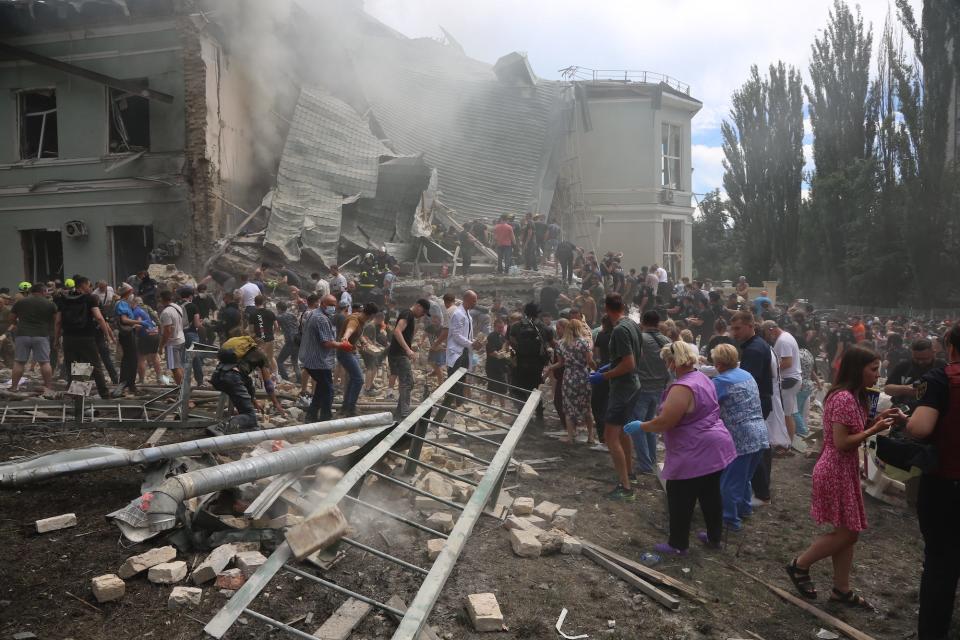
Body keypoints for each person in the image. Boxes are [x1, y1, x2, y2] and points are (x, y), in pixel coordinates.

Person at [786, 346, 901, 606]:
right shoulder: (844, 398)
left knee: (846, 532)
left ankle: (841, 589)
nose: (877, 375)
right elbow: (841, 442)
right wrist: (875, 430)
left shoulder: (854, 396)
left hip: (844, 469)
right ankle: (800, 565)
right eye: (873, 370)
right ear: (856, 369)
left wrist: (878, 420)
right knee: (849, 534)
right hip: (834, 469)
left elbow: (852, 433)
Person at [624, 341, 736, 554]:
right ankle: (714, 538)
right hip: (715, 444)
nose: (667, 366)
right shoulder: (702, 377)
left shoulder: (682, 387)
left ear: (674, 362)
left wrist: (642, 426)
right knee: (710, 494)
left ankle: (677, 544)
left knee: (679, 496)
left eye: (668, 361)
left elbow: (666, 422)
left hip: (695, 448)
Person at [906, 322, 960, 640]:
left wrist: (910, 421)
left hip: (946, 484)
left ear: (950, 348)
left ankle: (932, 632)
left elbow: (921, 429)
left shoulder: (942, 379)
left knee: (941, 561)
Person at [710, 343, 770, 531]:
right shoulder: (747, 375)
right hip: (760, 432)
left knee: (728, 483)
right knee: (745, 478)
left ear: (719, 364)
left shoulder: (721, 382)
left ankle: (730, 520)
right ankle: (744, 509)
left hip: (740, 436)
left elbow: (707, 404)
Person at [590, 293, 643, 501]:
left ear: (606, 309)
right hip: (633, 385)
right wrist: (610, 366)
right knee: (624, 432)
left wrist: (603, 376)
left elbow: (629, 363)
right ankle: (630, 474)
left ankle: (625, 487)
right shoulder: (632, 324)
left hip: (622, 388)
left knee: (611, 436)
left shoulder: (620, 330)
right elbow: (635, 358)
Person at [729, 311, 774, 506]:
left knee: (753, 447)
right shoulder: (756, 345)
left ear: (750, 326)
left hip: (757, 402)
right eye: (732, 328)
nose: (734, 333)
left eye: (737, 328)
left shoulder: (754, 350)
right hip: (761, 401)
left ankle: (762, 493)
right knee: (757, 446)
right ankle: (760, 491)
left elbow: (747, 382)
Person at [54, 277, 115, 400]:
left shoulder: (63, 299)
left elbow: (58, 321)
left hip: (69, 338)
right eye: (89, 285)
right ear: (83, 285)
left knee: (77, 365)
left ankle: (79, 395)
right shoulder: (89, 298)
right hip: (86, 337)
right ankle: (104, 394)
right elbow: (99, 317)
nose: (91, 287)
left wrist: (56, 339)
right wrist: (107, 335)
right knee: (95, 365)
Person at [211, 334, 284, 431]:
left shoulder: (240, 353)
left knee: (245, 412)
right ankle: (225, 425)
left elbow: (247, 382)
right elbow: (268, 384)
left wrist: (253, 401)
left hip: (217, 377)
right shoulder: (261, 355)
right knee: (250, 417)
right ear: (262, 345)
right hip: (232, 378)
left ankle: (239, 429)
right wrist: (276, 403)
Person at [630, 310, 672, 475]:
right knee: (651, 424)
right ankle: (651, 460)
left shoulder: (640, 339)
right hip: (659, 387)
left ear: (642, 321)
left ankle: (645, 463)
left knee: (638, 425)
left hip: (642, 387)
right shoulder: (667, 340)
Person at [300, 294, 353, 421]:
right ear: (322, 304)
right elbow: (326, 342)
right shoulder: (321, 319)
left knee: (321, 387)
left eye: (334, 305)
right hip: (318, 361)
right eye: (330, 305)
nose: (333, 308)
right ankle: (326, 416)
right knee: (328, 389)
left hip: (311, 358)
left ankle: (311, 415)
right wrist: (342, 345)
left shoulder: (314, 314)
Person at [8, 283, 57, 394]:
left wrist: (17, 325)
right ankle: (48, 387)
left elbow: (11, 318)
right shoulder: (50, 304)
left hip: (22, 335)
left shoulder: (20, 302)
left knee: (19, 362)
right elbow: (56, 320)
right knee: (44, 362)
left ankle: (14, 387)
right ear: (43, 291)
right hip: (41, 335)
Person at [508, 302, 552, 423]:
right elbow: (550, 345)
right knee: (535, 391)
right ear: (538, 313)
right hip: (537, 365)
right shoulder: (544, 327)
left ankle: (523, 420)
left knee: (519, 390)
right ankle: (539, 418)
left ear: (525, 312)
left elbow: (512, 342)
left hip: (521, 364)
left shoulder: (516, 326)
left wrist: (520, 350)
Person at [388, 299, 430, 418]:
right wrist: (407, 349)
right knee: (406, 383)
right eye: (424, 311)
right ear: (418, 306)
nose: (423, 314)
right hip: (399, 354)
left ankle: (399, 413)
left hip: (399, 353)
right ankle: (404, 415)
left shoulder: (409, 316)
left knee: (409, 383)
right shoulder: (408, 314)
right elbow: (397, 331)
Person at [762, 321, 802, 445]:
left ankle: (786, 444)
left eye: (766, 334)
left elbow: (787, 362)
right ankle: (787, 442)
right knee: (788, 413)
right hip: (792, 379)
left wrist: (771, 369)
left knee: (785, 414)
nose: (767, 337)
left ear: (771, 329)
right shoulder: (785, 337)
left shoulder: (783, 340)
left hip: (789, 380)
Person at [337, 302, 378, 417]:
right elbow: (350, 329)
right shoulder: (354, 321)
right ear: (371, 316)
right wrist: (345, 337)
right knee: (359, 379)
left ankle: (346, 406)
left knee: (352, 379)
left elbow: (357, 332)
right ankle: (350, 408)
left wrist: (363, 341)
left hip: (351, 352)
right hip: (345, 353)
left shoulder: (359, 317)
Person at [885, 338, 946, 412]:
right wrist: (907, 389)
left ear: (933, 353)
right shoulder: (904, 365)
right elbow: (887, 389)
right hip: (901, 409)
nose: (920, 362)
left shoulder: (942, 366)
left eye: (924, 359)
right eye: (916, 358)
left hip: (930, 412)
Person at [446, 290, 480, 395]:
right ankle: (450, 405)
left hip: (464, 351)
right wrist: (470, 343)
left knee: (461, 380)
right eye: (473, 301)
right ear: (467, 300)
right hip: (457, 353)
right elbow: (456, 335)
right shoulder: (458, 314)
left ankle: (458, 405)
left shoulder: (467, 314)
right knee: (454, 381)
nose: (475, 303)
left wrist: (474, 342)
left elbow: (466, 335)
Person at [112, 284, 143, 396]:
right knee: (132, 359)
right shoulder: (122, 304)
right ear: (129, 292)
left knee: (128, 359)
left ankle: (127, 384)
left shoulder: (124, 304)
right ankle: (128, 385)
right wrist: (138, 322)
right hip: (127, 334)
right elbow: (124, 320)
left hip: (127, 334)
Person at [132, 297, 165, 385]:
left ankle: (141, 380)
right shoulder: (146, 308)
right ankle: (159, 378)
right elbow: (156, 319)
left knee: (141, 358)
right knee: (154, 357)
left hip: (144, 336)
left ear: (134, 303)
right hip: (154, 334)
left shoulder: (136, 311)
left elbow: (138, 325)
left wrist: (133, 332)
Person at [158, 290, 186, 385]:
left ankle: (181, 391)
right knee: (179, 366)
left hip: (172, 343)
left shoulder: (166, 312)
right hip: (181, 339)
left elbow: (167, 331)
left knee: (174, 368)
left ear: (162, 299)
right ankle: (184, 388)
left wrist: (161, 346)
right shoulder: (178, 307)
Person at [180, 288, 205, 387]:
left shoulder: (177, 306)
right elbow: (196, 324)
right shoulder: (193, 306)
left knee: (182, 359)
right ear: (190, 296)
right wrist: (201, 323)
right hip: (191, 334)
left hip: (180, 335)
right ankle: (200, 381)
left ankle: (183, 381)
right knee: (195, 358)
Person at [485, 316, 510, 408]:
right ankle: (502, 408)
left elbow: (506, 349)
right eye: (499, 327)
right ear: (494, 327)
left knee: (493, 386)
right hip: (493, 366)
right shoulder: (491, 337)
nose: (501, 329)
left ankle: (489, 406)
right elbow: (493, 353)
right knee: (501, 387)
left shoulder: (502, 337)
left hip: (501, 366)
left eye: (502, 327)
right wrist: (503, 354)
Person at [249, 295, 279, 375]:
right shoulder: (270, 312)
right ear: (264, 302)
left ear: (254, 302)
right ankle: (276, 375)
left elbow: (251, 330)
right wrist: (272, 334)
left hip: (260, 340)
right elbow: (276, 326)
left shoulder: (253, 314)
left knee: (259, 359)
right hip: (270, 339)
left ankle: (262, 377)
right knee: (271, 357)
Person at [275, 300, 299, 382]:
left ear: (279, 309)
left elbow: (275, 324)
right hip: (298, 340)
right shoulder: (292, 315)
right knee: (295, 361)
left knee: (279, 361)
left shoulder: (280, 317)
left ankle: (285, 379)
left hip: (290, 341)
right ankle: (299, 380)